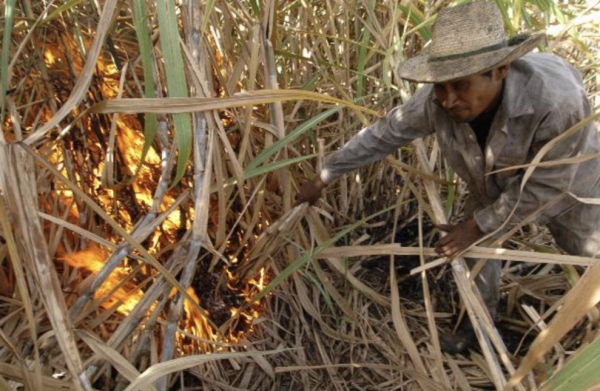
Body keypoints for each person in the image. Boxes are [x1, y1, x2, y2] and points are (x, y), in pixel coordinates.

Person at [295, 1, 600, 353]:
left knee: (587, 253)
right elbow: (382, 135)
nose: (449, 100)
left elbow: (549, 186)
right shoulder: (436, 101)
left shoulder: (556, 102)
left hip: (573, 185)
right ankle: (479, 328)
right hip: (490, 179)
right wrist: (324, 176)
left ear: (499, 70)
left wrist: (476, 225)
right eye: (440, 87)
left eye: (460, 85)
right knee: (473, 253)